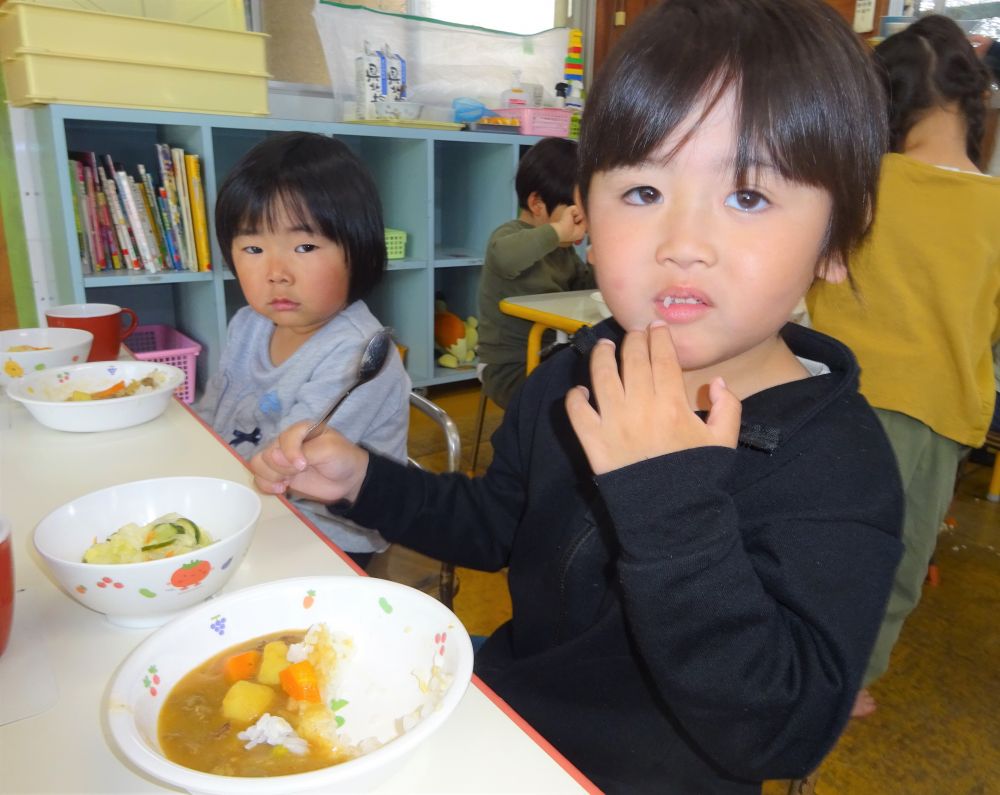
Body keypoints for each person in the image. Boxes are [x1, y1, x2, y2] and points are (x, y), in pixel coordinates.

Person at [248, 1, 905, 790]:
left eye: (749, 197)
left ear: (836, 240)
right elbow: (497, 527)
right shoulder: (570, 375)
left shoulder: (837, 462)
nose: (682, 244)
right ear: (585, 214)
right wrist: (364, 479)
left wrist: (671, 505)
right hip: (506, 726)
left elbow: (782, 732)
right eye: (642, 193)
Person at [808, 14, 1000, 715]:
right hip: (935, 412)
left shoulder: (855, 183)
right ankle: (852, 679)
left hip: (829, 395)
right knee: (898, 558)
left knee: (810, 538)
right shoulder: (997, 207)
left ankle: (792, 655)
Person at [196, 131, 411, 570]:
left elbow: (291, 465)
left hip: (327, 533)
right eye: (253, 248)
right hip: (249, 503)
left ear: (359, 248)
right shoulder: (249, 325)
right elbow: (213, 409)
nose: (276, 273)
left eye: (305, 246)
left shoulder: (357, 353)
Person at [476, 136, 593, 408]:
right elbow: (506, 258)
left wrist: (598, 256)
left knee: (604, 371)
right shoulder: (509, 236)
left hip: (554, 354)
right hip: (508, 366)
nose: (579, 225)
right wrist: (558, 232)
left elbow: (587, 293)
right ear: (537, 203)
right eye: (574, 216)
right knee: (571, 402)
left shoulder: (565, 253)